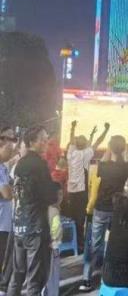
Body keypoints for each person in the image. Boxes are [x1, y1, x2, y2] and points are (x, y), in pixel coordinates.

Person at [7, 126, 58, 296]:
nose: (46, 142)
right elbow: (49, 196)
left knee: (17, 276)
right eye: (42, 139)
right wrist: (55, 188)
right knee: (34, 280)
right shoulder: (40, 165)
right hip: (35, 228)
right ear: (31, 142)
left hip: (19, 226)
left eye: (46, 138)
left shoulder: (20, 164)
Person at [79, 135, 128, 292]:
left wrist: (110, 147)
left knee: (95, 244)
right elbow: (127, 159)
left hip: (101, 209)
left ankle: (86, 279)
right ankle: (106, 279)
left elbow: (104, 159)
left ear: (110, 147)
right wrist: (125, 149)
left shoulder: (103, 166)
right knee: (112, 245)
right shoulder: (125, 168)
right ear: (123, 148)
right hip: (117, 210)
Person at [67, 121, 110, 253]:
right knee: (80, 220)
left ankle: (73, 243)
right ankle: (80, 246)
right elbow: (97, 142)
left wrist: (73, 128)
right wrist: (106, 130)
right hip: (81, 191)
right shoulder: (86, 154)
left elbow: (72, 140)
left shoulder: (71, 153)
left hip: (71, 191)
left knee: (72, 218)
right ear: (85, 145)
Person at [44, 182, 63, 296]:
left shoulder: (44, 208)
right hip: (53, 247)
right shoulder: (55, 211)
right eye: (59, 194)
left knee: (45, 276)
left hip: (43, 247)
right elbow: (56, 229)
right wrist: (54, 239)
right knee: (53, 277)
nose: (61, 197)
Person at [0, 128, 15, 271]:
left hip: (4, 224)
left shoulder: (4, 168)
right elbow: (7, 194)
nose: (11, 153)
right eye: (8, 149)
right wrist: (12, 190)